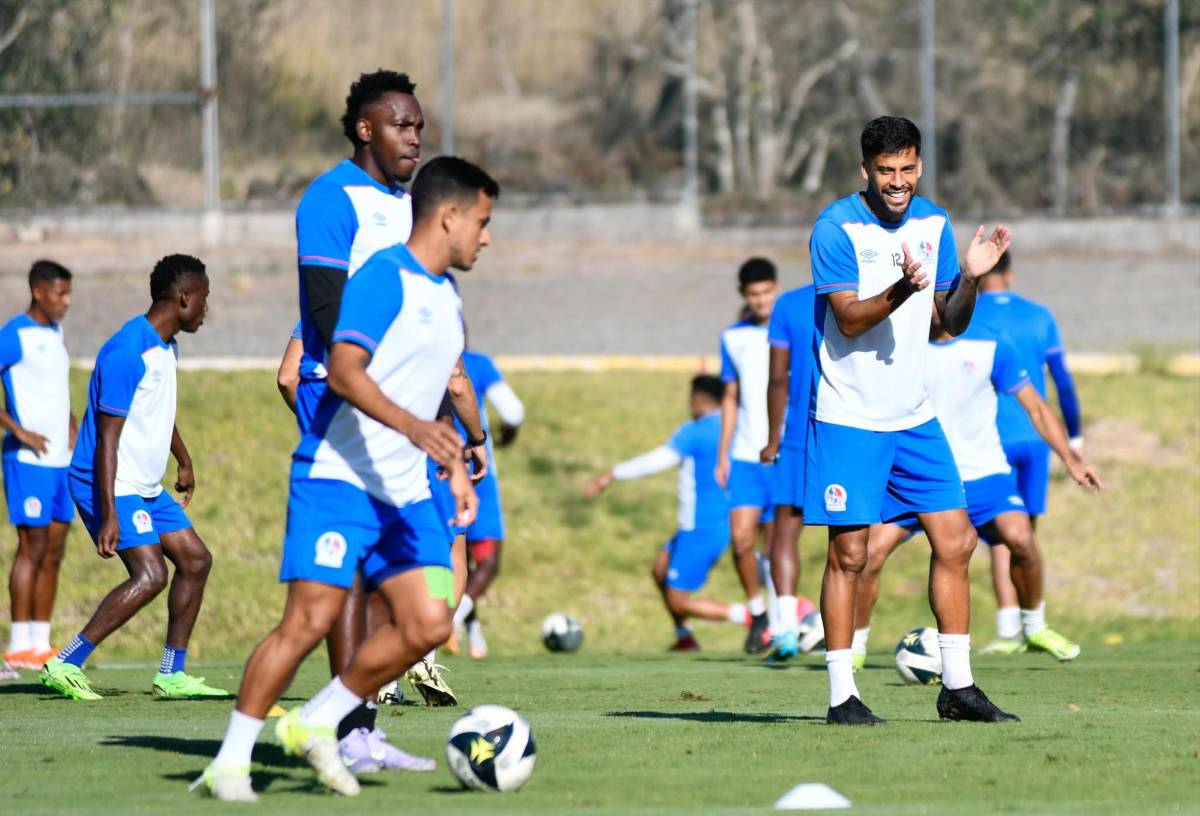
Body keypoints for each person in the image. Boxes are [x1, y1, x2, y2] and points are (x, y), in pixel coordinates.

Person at [196, 156, 497, 802]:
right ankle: (230, 761)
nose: (487, 237)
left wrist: (456, 464)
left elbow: (439, 385)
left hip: (407, 488)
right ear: (449, 217)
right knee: (306, 624)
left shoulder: (448, 297)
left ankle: (316, 721)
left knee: (429, 623)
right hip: (338, 477)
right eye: (482, 221)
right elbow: (342, 372)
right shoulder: (382, 279)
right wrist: (416, 430)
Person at [290, 69, 486, 751]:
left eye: (420, 128)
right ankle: (338, 728)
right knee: (342, 579)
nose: (415, 138)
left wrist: (453, 423)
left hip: (405, 404)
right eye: (402, 125)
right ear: (365, 127)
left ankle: (356, 722)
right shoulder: (329, 198)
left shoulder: (411, 205)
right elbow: (323, 312)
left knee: (389, 571)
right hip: (344, 392)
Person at [804, 115, 1015, 725]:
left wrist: (969, 276)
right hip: (849, 418)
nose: (897, 182)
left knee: (959, 539)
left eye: (907, 169)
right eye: (885, 171)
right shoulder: (835, 228)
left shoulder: (934, 223)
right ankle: (843, 695)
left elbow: (947, 323)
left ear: (919, 165)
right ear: (865, 170)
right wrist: (901, 289)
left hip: (914, 418)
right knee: (849, 556)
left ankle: (958, 688)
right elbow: (846, 318)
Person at [852, 315, 1102, 662]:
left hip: (984, 474)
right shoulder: (900, 342)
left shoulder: (991, 342)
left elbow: (1037, 407)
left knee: (1022, 540)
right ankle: (855, 648)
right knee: (869, 554)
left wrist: (1071, 459)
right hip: (918, 476)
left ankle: (1034, 627)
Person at [39, 254, 225, 701]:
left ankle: (171, 673)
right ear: (183, 299)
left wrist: (183, 458)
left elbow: (158, 408)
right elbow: (106, 440)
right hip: (107, 480)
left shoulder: (166, 346)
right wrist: (108, 514)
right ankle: (65, 662)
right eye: (203, 298)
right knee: (150, 574)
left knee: (196, 561)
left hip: (141, 483)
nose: (206, 308)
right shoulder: (127, 352)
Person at [972, 250, 1084, 653]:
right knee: (1026, 537)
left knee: (1000, 538)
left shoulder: (968, 316)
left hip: (990, 440)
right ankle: (1033, 622)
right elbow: (1064, 383)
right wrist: (1074, 440)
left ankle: (1009, 630)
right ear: (1011, 275)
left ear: (984, 274)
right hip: (1037, 439)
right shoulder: (1040, 315)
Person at [586, 375, 748, 652]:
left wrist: (612, 474)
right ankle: (685, 637)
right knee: (659, 568)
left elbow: (658, 460)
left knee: (678, 600)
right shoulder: (736, 428)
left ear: (697, 399)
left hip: (700, 526)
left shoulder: (696, 431)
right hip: (717, 521)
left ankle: (752, 618)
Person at [2, 261, 76, 670]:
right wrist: (21, 432)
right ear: (37, 292)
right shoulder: (14, 335)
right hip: (26, 460)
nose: (66, 302)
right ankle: (18, 644)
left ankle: (41, 644)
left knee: (55, 549)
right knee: (31, 547)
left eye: (68, 294)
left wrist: (70, 422)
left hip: (60, 462)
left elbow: (53, 389)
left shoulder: (55, 332)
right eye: (59, 294)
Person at [716, 258, 780, 653]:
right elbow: (729, 397)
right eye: (753, 294)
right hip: (743, 455)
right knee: (741, 539)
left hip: (783, 454)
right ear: (744, 296)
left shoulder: (792, 330)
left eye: (766, 292)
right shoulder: (732, 337)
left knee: (776, 548)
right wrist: (722, 453)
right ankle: (757, 612)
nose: (760, 300)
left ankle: (780, 617)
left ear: (776, 289)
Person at [451, 346, 526, 659]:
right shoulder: (477, 364)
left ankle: (472, 632)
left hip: (432, 467)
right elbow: (512, 412)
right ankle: (448, 622)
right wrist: (506, 434)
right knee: (487, 561)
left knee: (454, 559)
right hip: (476, 471)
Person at [759, 282, 818, 662]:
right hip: (852, 432)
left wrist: (772, 439)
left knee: (785, 527)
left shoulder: (790, 304)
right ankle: (852, 637)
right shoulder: (870, 294)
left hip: (799, 432)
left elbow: (778, 379)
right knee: (854, 534)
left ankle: (785, 628)